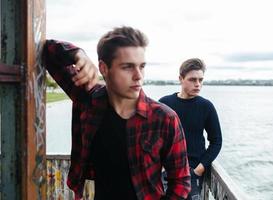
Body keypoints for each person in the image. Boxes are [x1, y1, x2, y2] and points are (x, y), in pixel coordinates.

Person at [43, 26, 191, 200]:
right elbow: (47, 51)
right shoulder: (88, 101)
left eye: (141, 66)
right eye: (127, 67)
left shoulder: (164, 118)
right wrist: (77, 54)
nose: (138, 76)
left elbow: (181, 183)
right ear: (104, 68)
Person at [159, 58, 222, 200]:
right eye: (193, 79)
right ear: (181, 79)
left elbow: (216, 141)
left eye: (201, 80)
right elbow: (154, 140)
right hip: (166, 173)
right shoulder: (164, 104)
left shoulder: (206, 107)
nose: (198, 84)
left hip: (192, 174)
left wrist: (200, 168)